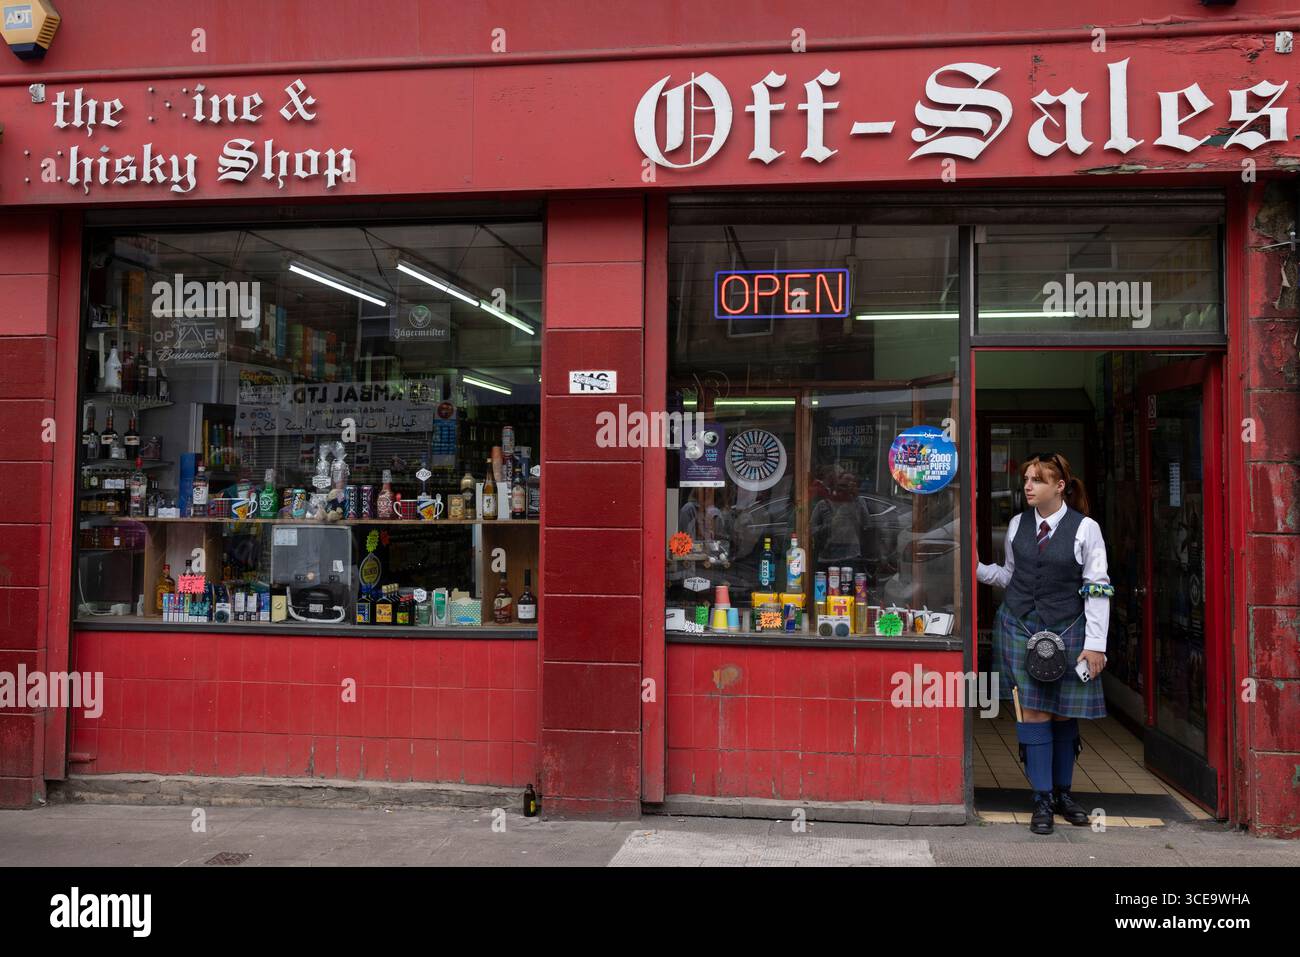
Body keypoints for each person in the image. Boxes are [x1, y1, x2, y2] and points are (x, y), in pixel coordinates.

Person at [977, 452, 1113, 835]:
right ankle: (1041, 799)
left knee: (1063, 713)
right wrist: (972, 566)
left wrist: (1096, 644)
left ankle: (1062, 794)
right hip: (1019, 626)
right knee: (1034, 712)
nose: (1028, 486)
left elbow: (1097, 588)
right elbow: (1009, 576)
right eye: (1026, 479)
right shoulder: (1018, 523)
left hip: (1068, 629)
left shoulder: (1086, 528)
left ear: (1060, 486)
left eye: (1037, 479)